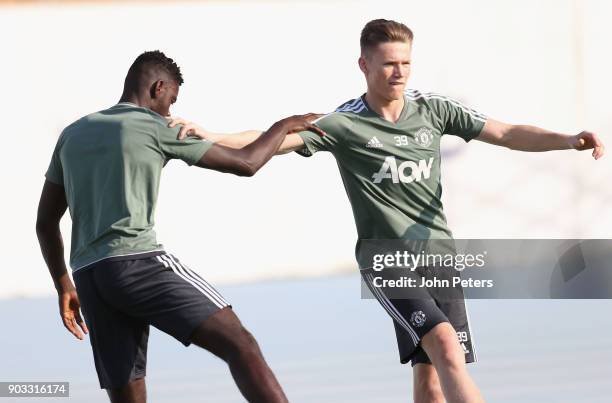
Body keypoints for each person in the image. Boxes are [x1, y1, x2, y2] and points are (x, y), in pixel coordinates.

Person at [169, 19, 605, 403]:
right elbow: (270, 142)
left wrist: (566, 139)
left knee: (430, 376)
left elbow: (507, 132)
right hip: (386, 259)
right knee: (446, 347)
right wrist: (212, 134)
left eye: (406, 63)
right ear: (364, 66)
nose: (399, 72)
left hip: (440, 256)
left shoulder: (433, 110)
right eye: (388, 64)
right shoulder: (345, 124)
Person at [36, 50, 323, 403]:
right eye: (171, 100)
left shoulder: (73, 133)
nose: (171, 111)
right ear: (158, 88)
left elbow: (45, 222)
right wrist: (283, 125)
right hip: (137, 264)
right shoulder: (154, 126)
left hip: (91, 279)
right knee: (240, 344)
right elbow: (246, 163)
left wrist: (63, 283)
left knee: (129, 395)